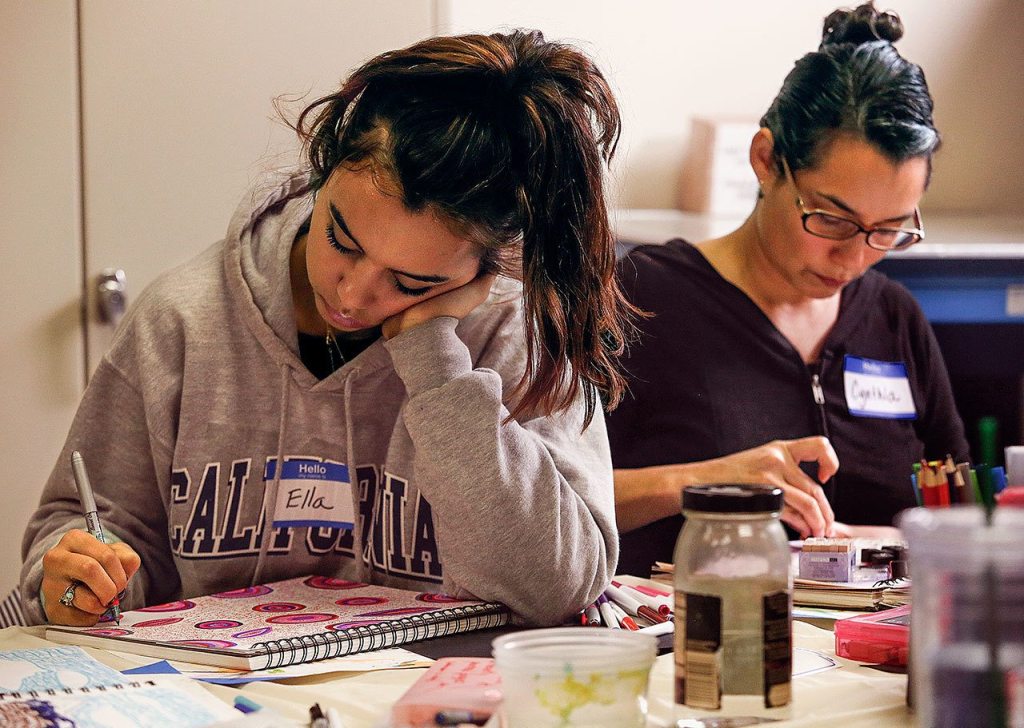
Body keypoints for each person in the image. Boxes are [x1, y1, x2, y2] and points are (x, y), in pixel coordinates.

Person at [22, 30, 631, 626]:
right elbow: (87, 530)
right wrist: (77, 586)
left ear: (484, 268)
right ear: (324, 167)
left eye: (412, 281)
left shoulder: (515, 335)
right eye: (340, 239)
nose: (352, 294)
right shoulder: (182, 319)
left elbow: (559, 588)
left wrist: (435, 363)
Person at [608, 2, 970, 576]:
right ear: (766, 160)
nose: (855, 258)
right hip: (699, 623)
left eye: (888, 230)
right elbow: (551, 507)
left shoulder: (894, 317)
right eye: (831, 219)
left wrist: (876, 544)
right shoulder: (641, 299)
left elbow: (962, 516)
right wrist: (703, 482)